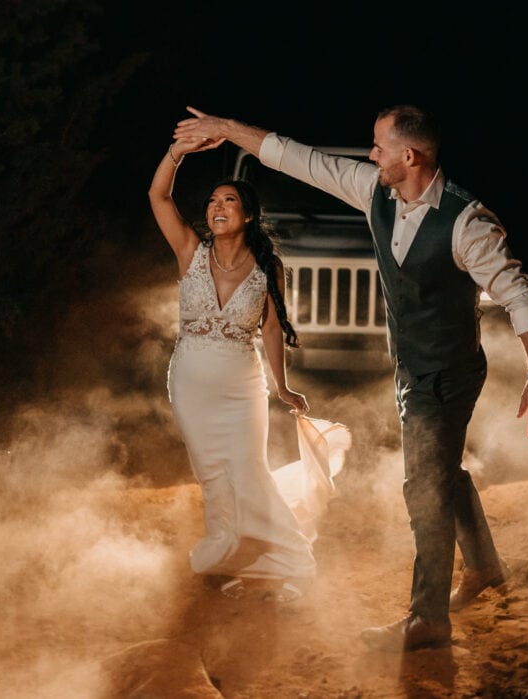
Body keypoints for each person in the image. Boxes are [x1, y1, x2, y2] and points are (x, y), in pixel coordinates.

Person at [174, 105, 528, 650]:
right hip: (410, 366)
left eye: (379, 147)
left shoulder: (467, 221)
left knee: (422, 486)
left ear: (410, 156)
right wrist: (227, 128)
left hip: (448, 371)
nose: (370, 155)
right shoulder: (375, 191)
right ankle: (484, 567)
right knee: (440, 467)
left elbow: (520, 295)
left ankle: (428, 618)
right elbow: (298, 159)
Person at [148, 134, 336, 603]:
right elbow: (158, 195)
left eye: (229, 200)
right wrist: (178, 154)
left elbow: (271, 330)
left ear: (247, 215)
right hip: (190, 381)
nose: (217, 206)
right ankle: (236, 560)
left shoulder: (267, 268)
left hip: (241, 385)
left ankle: (291, 559)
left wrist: (283, 387)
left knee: (248, 471)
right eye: (212, 200)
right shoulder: (189, 250)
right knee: (213, 473)